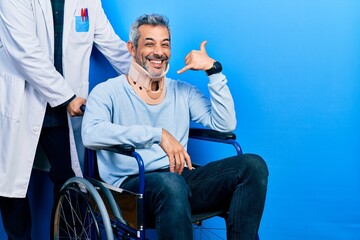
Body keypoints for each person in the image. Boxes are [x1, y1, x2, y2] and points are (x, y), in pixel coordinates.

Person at [82, 13, 268, 240]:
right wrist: (157, 135)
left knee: (253, 166)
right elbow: (91, 134)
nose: (158, 52)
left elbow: (224, 124)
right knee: (171, 182)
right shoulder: (107, 91)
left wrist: (213, 71)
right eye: (149, 44)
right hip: (130, 188)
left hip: (179, 180)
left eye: (165, 44)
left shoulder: (183, 91)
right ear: (132, 48)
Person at [0, 0, 131, 239]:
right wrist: (66, 96)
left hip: (60, 111)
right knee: (12, 188)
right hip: (22, 101)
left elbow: (113, 46)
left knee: (69, 182)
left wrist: (148, 74)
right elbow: (25, 52)